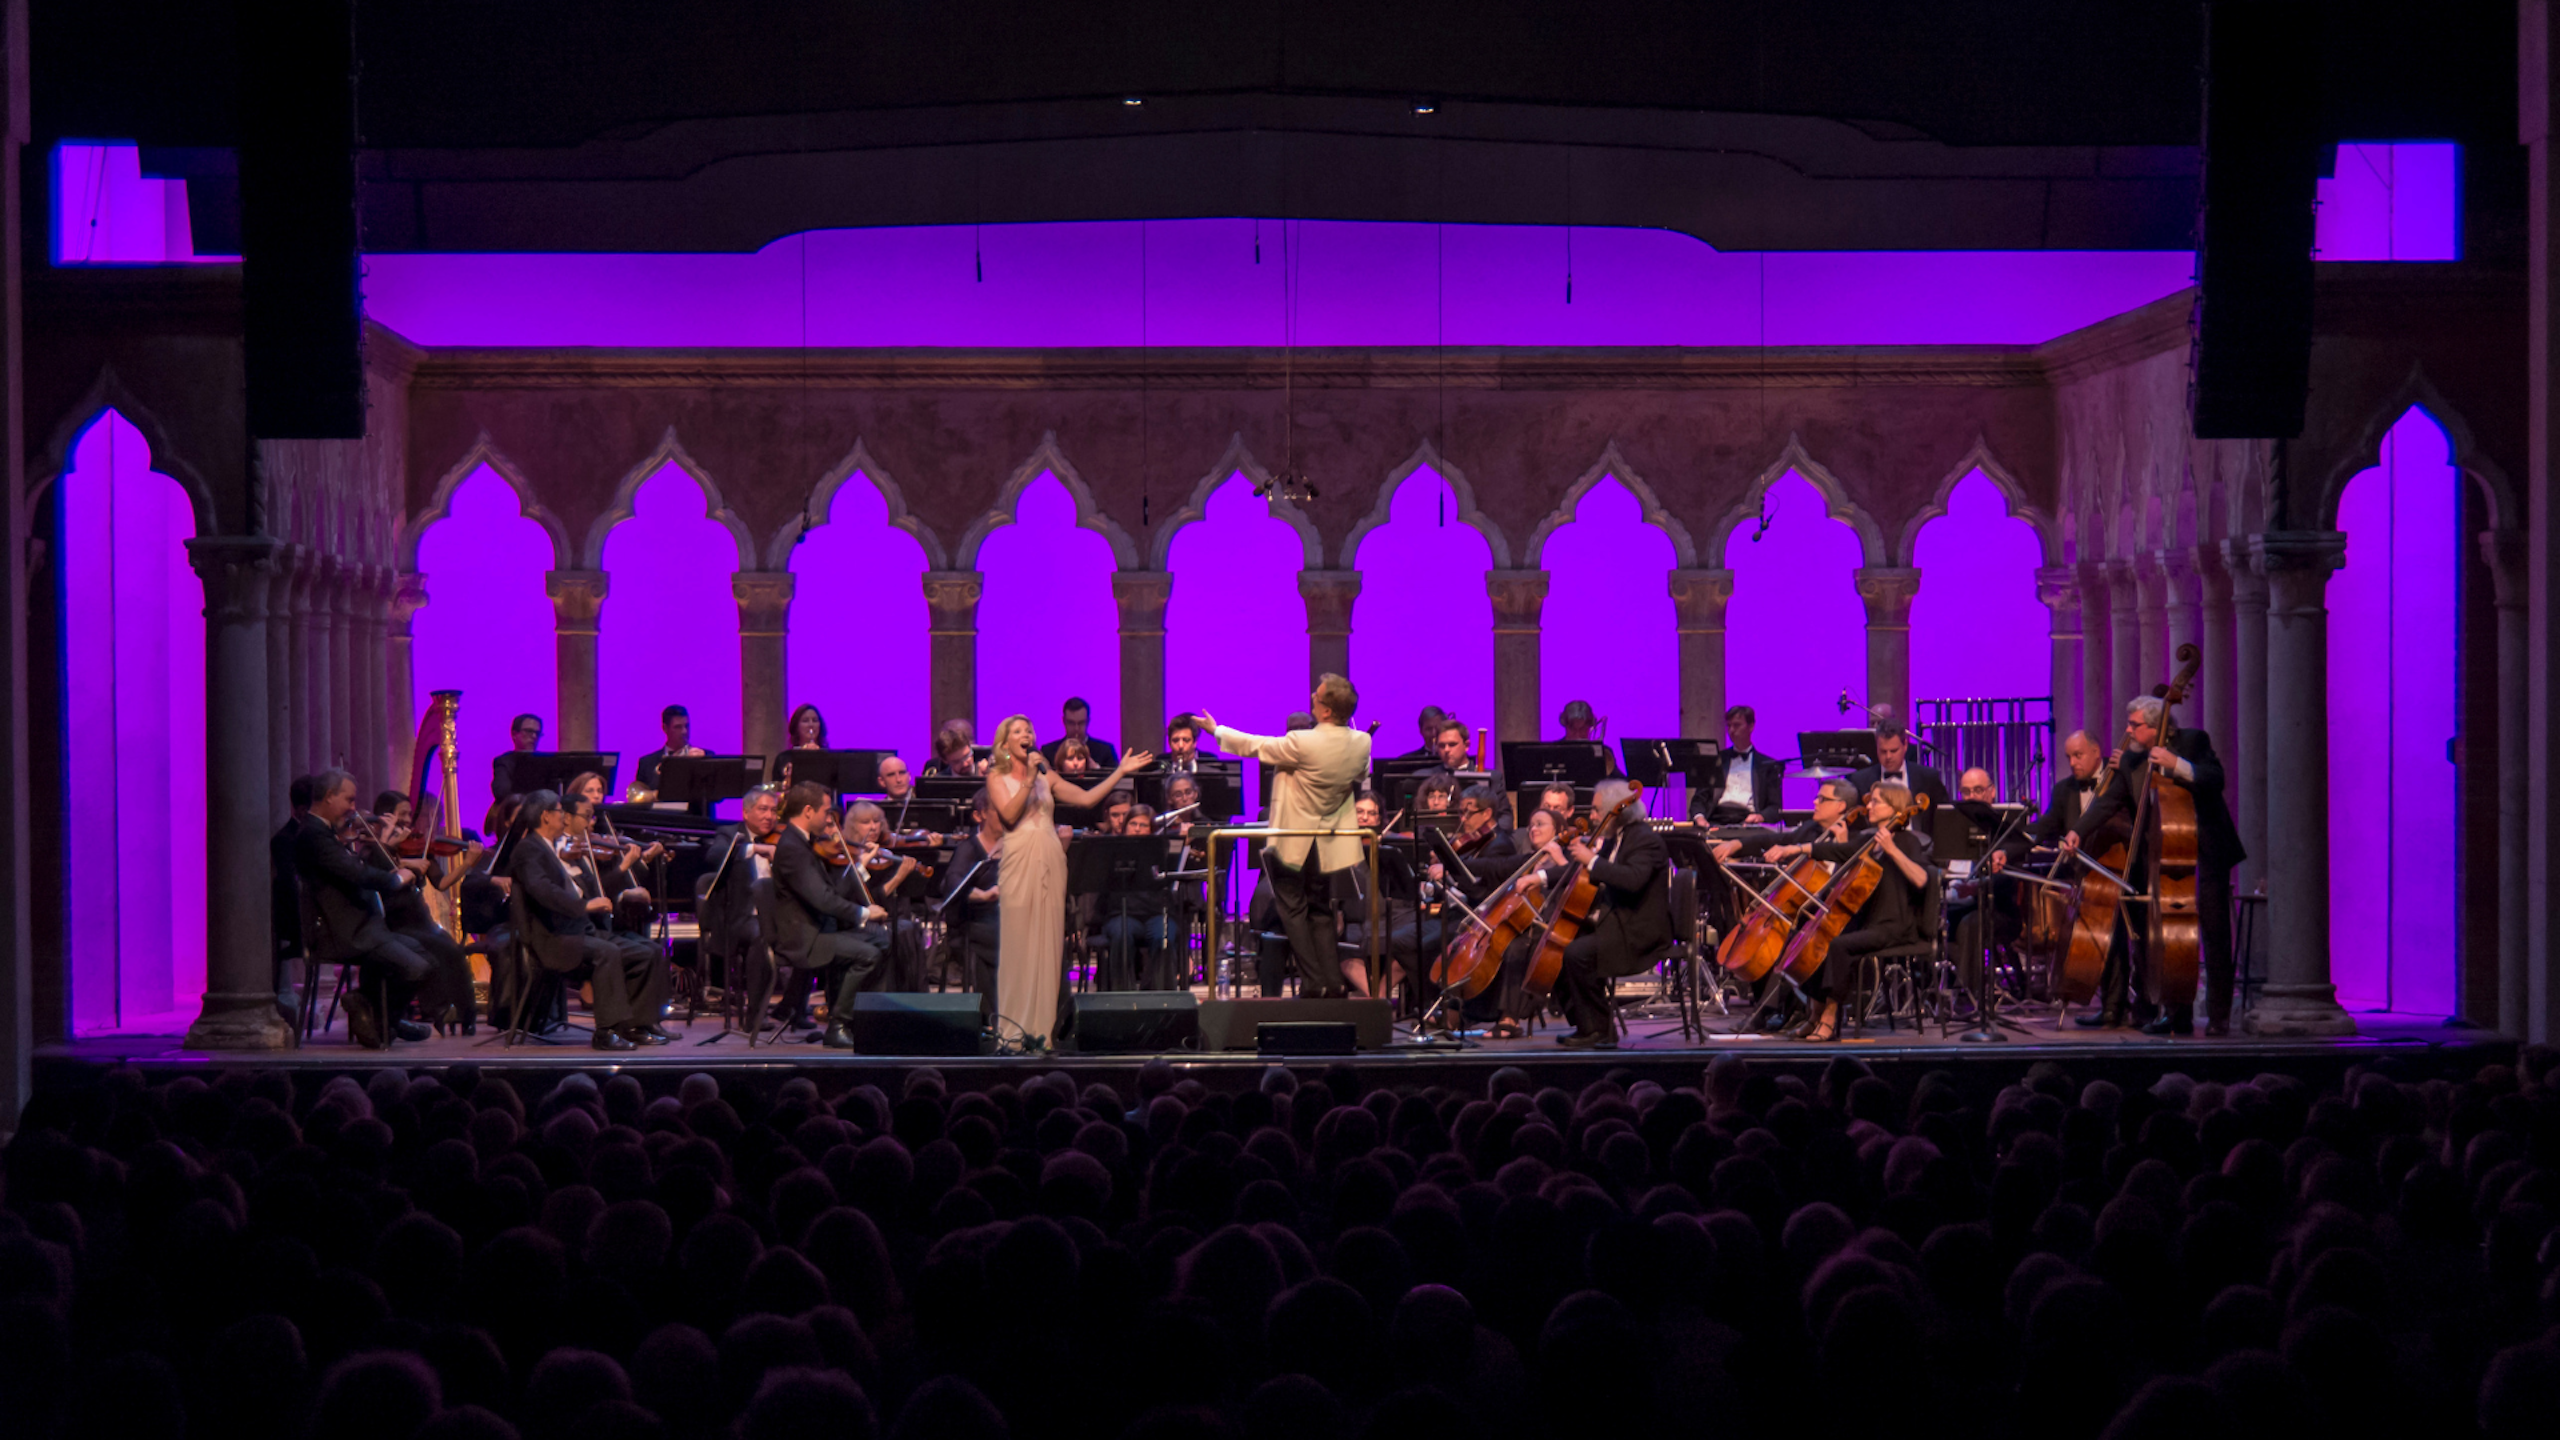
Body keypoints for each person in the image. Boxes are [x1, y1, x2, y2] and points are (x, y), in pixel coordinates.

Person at [2058, 696, 2243, 1036]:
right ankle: (2177, 1014)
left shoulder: (2192, 740)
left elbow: (2215, 779)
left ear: (2156, 726)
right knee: (2170, 938)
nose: (2127, 730)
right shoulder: (2130, 760)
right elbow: (2105, 803)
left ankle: (2219, 1017)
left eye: (2134, 725)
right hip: (2163, 855)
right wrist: (2077, 831)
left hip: (2205, 850)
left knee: (2215, 936)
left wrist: (2176, 764)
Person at [987, 714, 1153, 1051]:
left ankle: (1042, 1032)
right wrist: (1029, 777)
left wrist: (1119, 772)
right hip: (1020, 858)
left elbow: (1087, 799)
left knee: (1048, 945)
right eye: (1018, 731)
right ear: (1004, 743)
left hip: (1050, 856)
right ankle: (1014, 1030)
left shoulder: (1048, 776)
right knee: (1020, 943)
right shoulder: (997, 776)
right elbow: (1009, 815)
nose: (1027, 734)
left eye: (1029, 729)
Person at [1200, 674, 1371, 1000]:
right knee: (1320, 909)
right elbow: (1362, 773)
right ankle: (1331, 982)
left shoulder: (1303, 741)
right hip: (1329, 842)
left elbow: (1255, 745)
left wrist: (1216, 730)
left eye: (1317, 696)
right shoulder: (1362, 741)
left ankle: (1313, 982)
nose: (1312, 696)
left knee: (1292, 910)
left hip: (1295, 840)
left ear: (1326, 712)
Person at [1766, 782, 1931, 1043]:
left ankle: (1831, 1016)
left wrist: (1892, 850)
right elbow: (1834, 850)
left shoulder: (1907, 841)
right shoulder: (1868, 841)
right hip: (1868, 923)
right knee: (1820, 938)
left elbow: (1922, 879)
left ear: (1896, 808)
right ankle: (1814, 1013)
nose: (1869, 806)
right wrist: (1793, 849)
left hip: (1894, 926)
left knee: (1840, 946)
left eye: (1876, 801)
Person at [507, 789, 661, 1051]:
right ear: (546, 816)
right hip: (552, 939)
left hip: (577, 931)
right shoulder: (528, 849)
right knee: (607, 952)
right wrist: (585, 904)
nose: (563, 818)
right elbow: (543, 890)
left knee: (643, 953)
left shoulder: (551, 849)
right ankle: (605, 1031)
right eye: (559, 812)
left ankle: (634, 1026)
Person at [295, 769, 437, 1049]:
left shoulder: (325, 833)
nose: (352, 808)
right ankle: (380, 1020)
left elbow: (352, 868)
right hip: (345, 932)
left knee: (425, 956)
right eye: (348, 800)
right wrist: (397, 877)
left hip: (363, 927)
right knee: (417, 968)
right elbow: (356, 873)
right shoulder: (314, 834)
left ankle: (381, 1015)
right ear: (329, 796)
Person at [1545, 777, 1675, 1049]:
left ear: (1619, 810)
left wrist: (1591, 859)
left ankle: (1601, 1029)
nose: (1591, 817)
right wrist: (1541, 878)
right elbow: (1580, 871)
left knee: (1577, 955)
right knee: (1552, 947)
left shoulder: (1644, 839)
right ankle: (1586, 1023)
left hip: (1638, 930)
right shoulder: (1616, 837)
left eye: (1596, 811)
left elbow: (1633, 879)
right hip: (1614, 922)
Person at [767, 783, 893, 1049]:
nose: (829, 821)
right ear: (808, 811)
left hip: (819, 928)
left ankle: (865, 1019)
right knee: (868, 955)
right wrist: (864, 912)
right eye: (826, 812)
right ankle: (838, 1025)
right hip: (805, 938)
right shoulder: (792, 847)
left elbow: (829, 892)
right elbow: (822, 899)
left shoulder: (802, 843)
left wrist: (858, 868)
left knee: (882, 940)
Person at [365, 791, 478, 1035]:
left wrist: (468, 862)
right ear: (387, 817)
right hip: (397, 923)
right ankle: (438, 1010)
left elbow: (442, 881)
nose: (408, 821)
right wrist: (404, 864)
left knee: (454, 950)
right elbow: (380, 876)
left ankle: (465, 1013)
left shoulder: (404, 850)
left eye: (409, 814)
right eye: (402, 815)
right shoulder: (375, 851)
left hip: (419, 920)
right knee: (439, 951)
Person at [1094, 804, 1181, 991]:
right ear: (1125, 827)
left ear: (1152, 830)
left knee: (1164, 937)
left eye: (1143, 825)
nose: (1137, 829)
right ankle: (1121, 993)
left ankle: (1158, 994)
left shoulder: (1162, 851)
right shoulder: (1110, 850)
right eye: (1133, 824)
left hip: (1156, 912)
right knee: (1121, 935)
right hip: (1122, 913)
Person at [939, 787, 1003, 1003]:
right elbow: (953, 886)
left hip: (1006, 918)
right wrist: (984, 896)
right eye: (999, 809)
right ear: (979, 815)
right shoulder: (968, 848)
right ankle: (993, 1012)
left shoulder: (1014, 845)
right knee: (1002, 936)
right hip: (972, 922)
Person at [271, 772, 316, 1016]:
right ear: (300, 810)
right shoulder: (285, 840)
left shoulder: (317, 837)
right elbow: (291, 888)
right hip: (299, 922)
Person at [1698, 704, 1785, 824]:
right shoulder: (1716, 760)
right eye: (1729, 726)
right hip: (1716, 819)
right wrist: (1699, 817)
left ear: (1751, 727)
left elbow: (1775, 808)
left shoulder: (1768, 765)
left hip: (1748, 820)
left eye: (1737, 725)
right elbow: (1699, 799)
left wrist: (1760, 817)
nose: (1731, 730)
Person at [1848, 722, 1950, 808]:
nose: (1888, 757)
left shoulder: (1928, 777)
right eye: (1883, 751)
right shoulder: (1860, 780)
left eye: (1893, 751)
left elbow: (1943, 815)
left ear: (1905, 746)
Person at [631, 704, 705, 800]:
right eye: (678, 727)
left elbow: (715, 797)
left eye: (686, 726)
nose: (684, 731)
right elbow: (642, 798)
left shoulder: (705, 756)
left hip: (692, 814)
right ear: (665, 728)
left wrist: (701, 764)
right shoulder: (647, 763)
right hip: (660, 814)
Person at [1041, 696, 1119, 770]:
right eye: (1071, 723)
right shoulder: (1048, 752)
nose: (1076, 728)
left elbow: (1116, 779)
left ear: (1088, 721)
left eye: (1081, 723)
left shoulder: (1105, 751)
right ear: (1063, 721)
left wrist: (1097, 768)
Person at [490, 713, 544, 801]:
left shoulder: (544, 761)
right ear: (514, 734)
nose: (534, 736)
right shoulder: (504, 762)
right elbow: (502, 792)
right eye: (529, 731)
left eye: (537, 733)